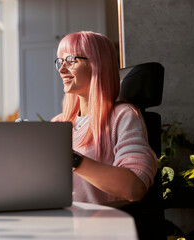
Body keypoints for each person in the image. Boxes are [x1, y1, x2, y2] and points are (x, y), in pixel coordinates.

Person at [51, 31, 158, 205]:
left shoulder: (122, 116)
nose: (62, 69)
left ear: (97, 64)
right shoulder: (58, 124)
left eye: (71, 60)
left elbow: (135, 188)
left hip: (97, 226)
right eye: (60, 62)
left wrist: (71, 159)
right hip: (58, 222)